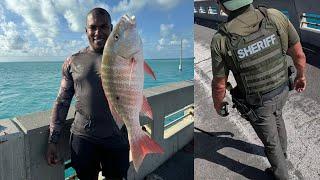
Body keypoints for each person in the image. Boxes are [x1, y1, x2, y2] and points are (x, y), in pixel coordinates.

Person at [211, 0, 306, 179]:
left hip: (259, 103)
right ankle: (283, 156)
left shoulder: (221, 40)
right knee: (277, 115)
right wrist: (301, 77)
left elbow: (219, 85)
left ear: (221, 5)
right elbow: (299, 55)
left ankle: (281, 174)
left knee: (270, 143)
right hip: (283, 89)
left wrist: (218, 105)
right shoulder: (274, 16)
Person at [46, 8, 130, 180]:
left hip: (116, 137)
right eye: (93, 27)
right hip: (83, 139)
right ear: (86, 30)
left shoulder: (125, 58)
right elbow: (62, 101)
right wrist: (53, 140)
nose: (98, 32)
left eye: (104, 26)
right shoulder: (73, 61)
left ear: (111, 28)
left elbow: (134, 96)